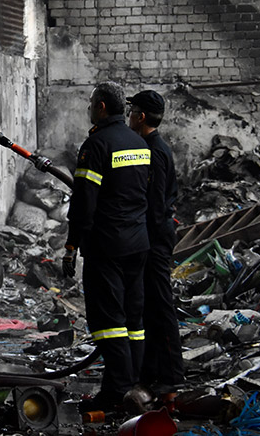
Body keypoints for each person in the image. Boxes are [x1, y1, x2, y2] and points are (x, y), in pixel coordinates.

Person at [62, 81, 151, 412]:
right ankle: (135, 386)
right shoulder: (138, 142)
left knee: (109, 321)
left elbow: (84, 203)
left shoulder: (96, 145)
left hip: (107, 246)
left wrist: (72, 245)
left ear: (101, 106)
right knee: (133, 320)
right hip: (138, 243)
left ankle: (117, 392)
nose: (88, 108)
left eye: (91, 102)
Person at [126, 90, 184, 395]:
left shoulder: (155, 151)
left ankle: (172, 376)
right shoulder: (147, 147)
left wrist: (145, 239)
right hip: (150, 238)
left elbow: (157, 204)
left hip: (156, 241)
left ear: (141, 117)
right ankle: (150, 372)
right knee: (148, 307)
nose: (129, 116)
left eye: (132, 111)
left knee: (161, 306)